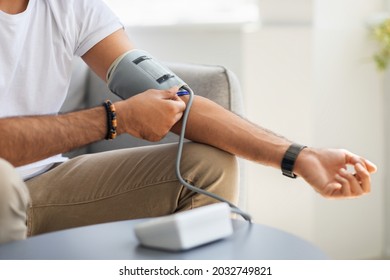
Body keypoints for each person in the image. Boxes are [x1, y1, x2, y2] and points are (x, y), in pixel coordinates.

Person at [0, 0, 377, 244]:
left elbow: (177, 99)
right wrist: (113, 119)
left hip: (45, 184)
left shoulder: (71, 6)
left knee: (205, 165)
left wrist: (300, 156)